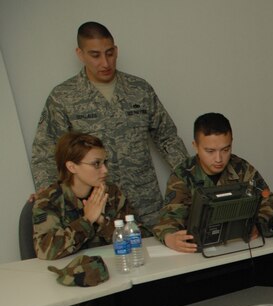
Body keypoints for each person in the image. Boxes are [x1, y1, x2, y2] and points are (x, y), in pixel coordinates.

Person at [31, 21, 187, 230]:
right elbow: (46, 152)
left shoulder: (139, 89)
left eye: (110, 53)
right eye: (95, 55)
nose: (105, 62)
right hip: (99, 209)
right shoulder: (63, 97)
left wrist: (191, 182)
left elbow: (168, 138)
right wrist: (48, 197)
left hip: (146, 204)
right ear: (80, 54)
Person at [32, 132, 134, 306]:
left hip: (113, 280)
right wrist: (86, 220)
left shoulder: (112, 193)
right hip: (68, 292)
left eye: (105, 162)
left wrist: (101, 220)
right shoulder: (48, 201)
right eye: (97, 164)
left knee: (145, 301)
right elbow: (47, 250)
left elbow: (136, 237)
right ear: (72, 167)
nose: (105, 170)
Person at [152, 113, 273, 252]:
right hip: (200, 252)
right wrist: (170, 238)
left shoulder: (242, 168)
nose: (219, 159)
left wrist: (258, 226)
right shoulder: (183, 175)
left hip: (240, 246)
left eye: (225, 150)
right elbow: (169, 218)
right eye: (210, 151)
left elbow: (267, 201)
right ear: (195, 146)